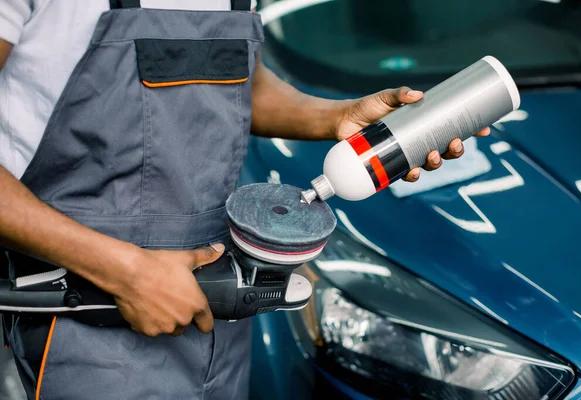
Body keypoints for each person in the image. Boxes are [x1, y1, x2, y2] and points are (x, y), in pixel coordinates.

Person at [0, 0, 490, 399]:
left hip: (221, 320)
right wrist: (127, 272)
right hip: (83, 322)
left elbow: (236, 80)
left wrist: (336, 117)